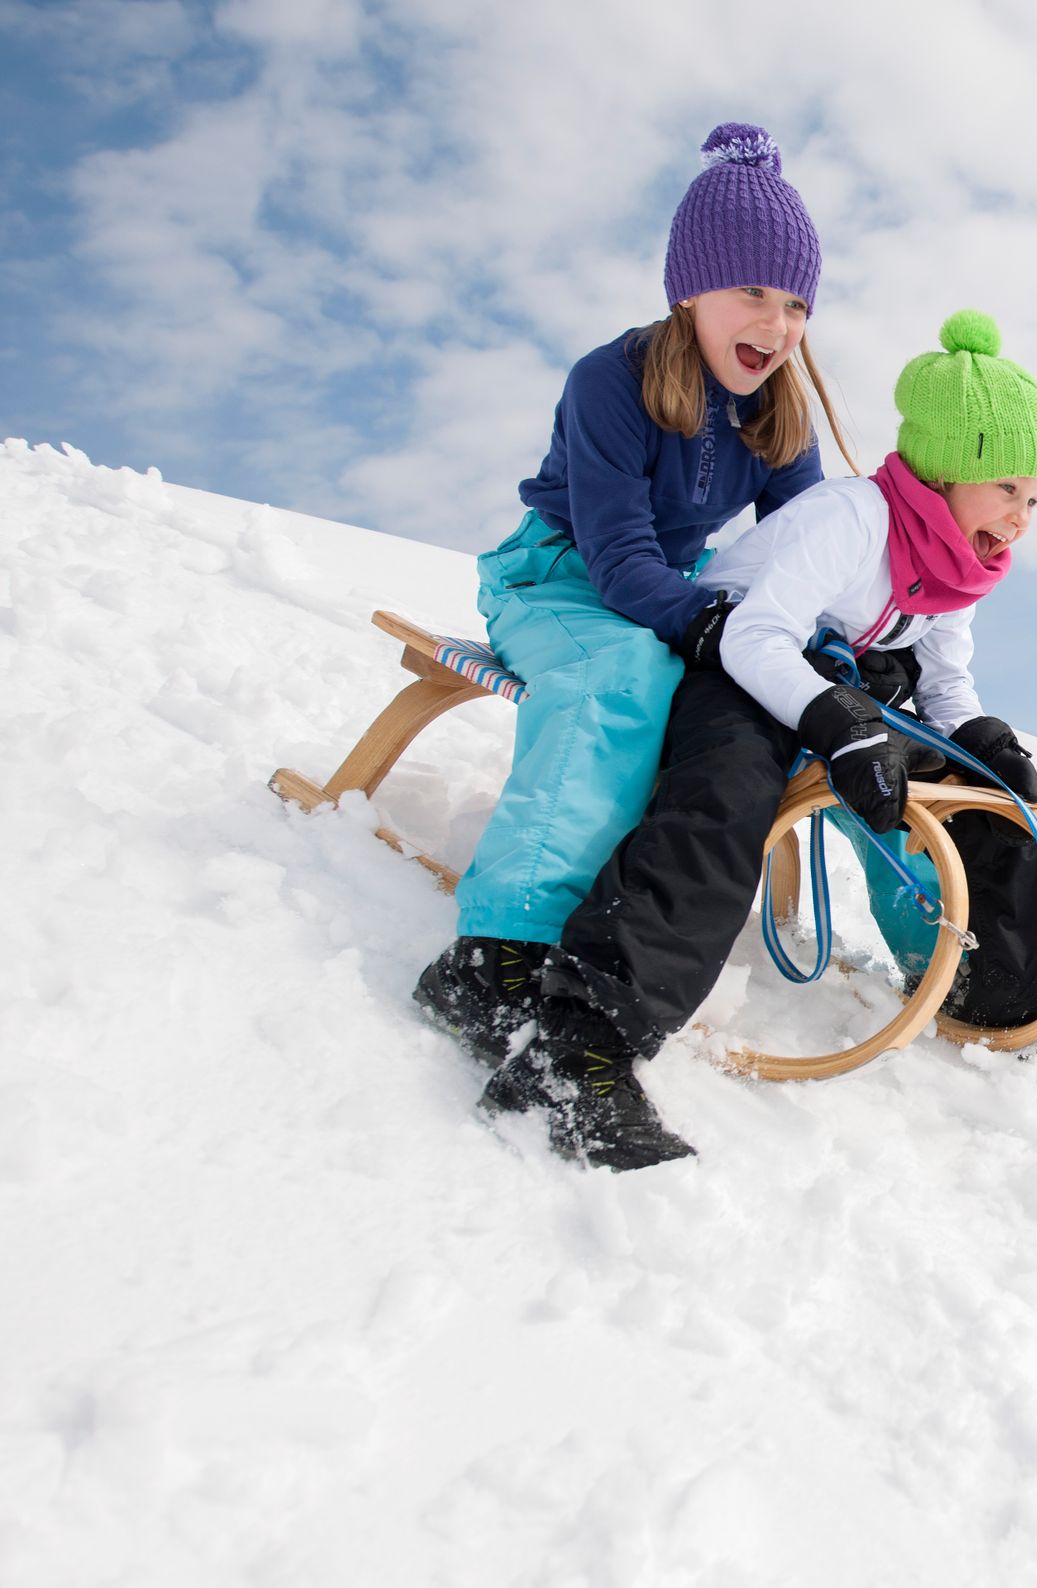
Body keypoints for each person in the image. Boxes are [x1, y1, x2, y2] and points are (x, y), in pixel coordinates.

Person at [482, 311, 1037, 1169]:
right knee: (727, 796)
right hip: (740, 658)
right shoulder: (853, 517)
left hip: (841, 677)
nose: (1022, 518)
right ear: (953, 469)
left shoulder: (957, 563)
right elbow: (752, 638)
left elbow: (943, 677)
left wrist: (980, 737)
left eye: (1035, 500)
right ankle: (580, 1040)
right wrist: (828, 719)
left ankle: (1031, 999)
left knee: (979, 796)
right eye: (1008, 489)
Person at [413, 122, 857, 1063]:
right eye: (753, 293)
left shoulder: (779, 414)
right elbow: (616, 563)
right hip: (556, 578)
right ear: (691, 286)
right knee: (617, 678)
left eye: (797, 305)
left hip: (666, 591)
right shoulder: (609, 382)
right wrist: (707, 618)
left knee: (716, 701)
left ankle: (623, 907)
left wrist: (821, 640)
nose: (777, 328)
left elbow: (809, 549)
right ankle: (494, 949)